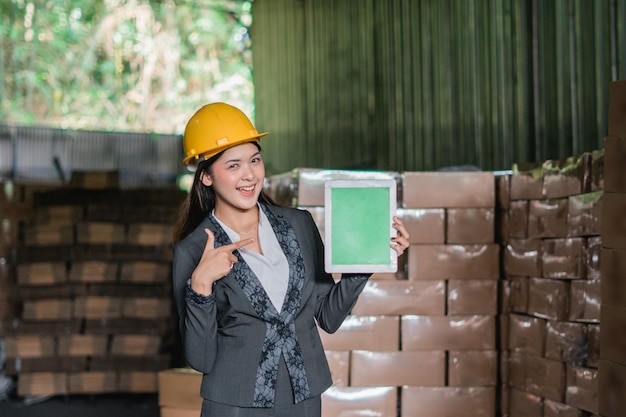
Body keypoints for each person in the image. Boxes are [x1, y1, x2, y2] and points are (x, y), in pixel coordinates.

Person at [171, 102, 410, 417]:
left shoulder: (299, 225)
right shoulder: (193, 251)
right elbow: (200, 359)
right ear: (205, 177)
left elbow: (328, 317)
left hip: (304, 395)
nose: (249, 175)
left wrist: (365, 260)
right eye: (233, 166)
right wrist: (200, 285)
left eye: (254, 160)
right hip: (234, 404)